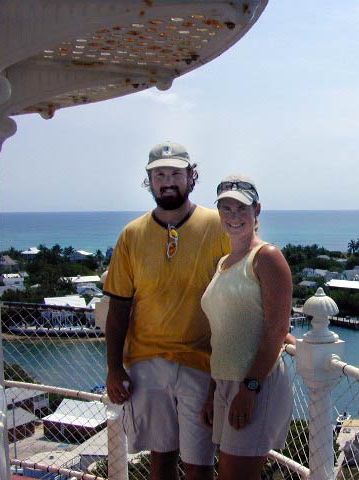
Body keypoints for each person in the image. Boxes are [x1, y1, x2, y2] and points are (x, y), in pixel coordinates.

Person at [104, 141, 230, 480]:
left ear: (191, 177)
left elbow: (240, 289)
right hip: (146, 364)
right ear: (150, 181)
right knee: (160, 460)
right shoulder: (132, 235)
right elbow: (118, 306)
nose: (168, 181)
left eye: (176, 173)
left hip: (201, 363)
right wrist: (114, 368)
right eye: (160, 174)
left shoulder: (217, 227)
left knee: (199, 464)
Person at [201, 175, 293, 480]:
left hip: (256, 385)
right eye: (226, 209)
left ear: (257, 210)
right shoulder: (224, 262)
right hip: (226, 384)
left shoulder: (266, 257)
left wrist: (249, 388)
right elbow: (223, 331)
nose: (234, 217)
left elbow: (277, 330)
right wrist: (215, 389)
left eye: (241, 208)